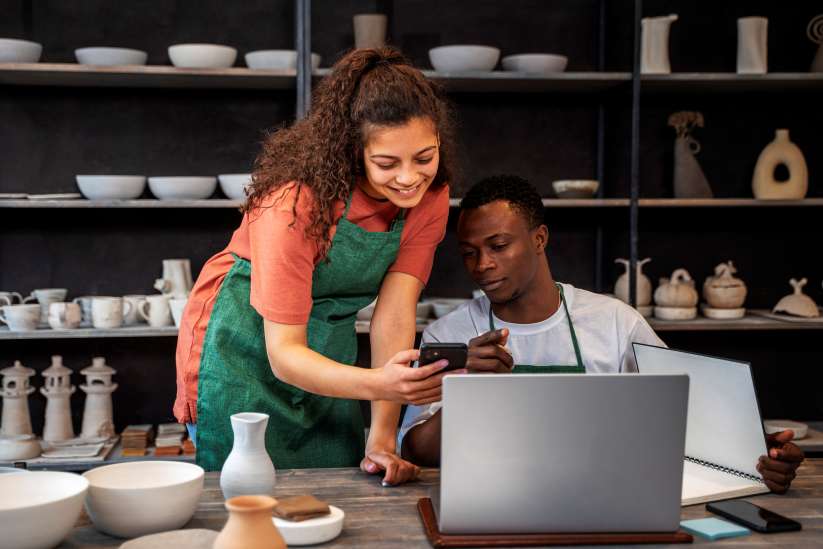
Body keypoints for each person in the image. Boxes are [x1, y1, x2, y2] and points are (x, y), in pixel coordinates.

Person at [399, 174, 804, 494]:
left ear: (539, 239)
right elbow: (415, 448)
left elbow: (681, 415)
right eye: (469, 253)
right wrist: (472, 393)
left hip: (606, 492)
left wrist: (757, 452)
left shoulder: (614, 322)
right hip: (492, 496)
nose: (482, 264)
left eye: (499, 245)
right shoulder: (449, 333)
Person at [174, 47, 466, 485]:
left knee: (338, 484)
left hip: (327, 341)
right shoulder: (294, 203)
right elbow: (285, 353)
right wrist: (380, 383)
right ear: (353, 152)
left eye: (424, 157)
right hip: (246, 343)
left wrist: (382, 437)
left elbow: (395, 313)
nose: (409, 178)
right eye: (387, 163)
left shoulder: (430, 198)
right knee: (248, 489)